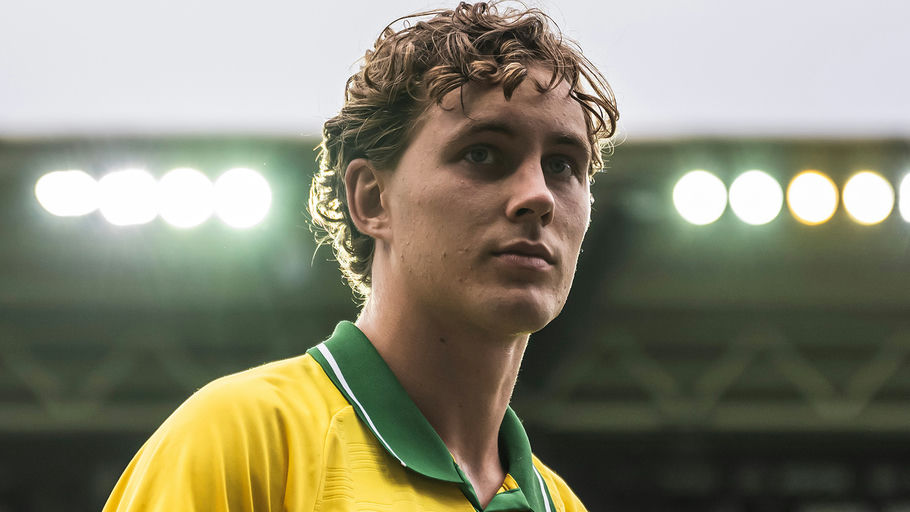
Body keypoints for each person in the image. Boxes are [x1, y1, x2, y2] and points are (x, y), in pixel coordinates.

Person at [103, 1, 618, 510]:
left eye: (562, 165)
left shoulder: (563, 505)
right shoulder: (241, 438)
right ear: (371, 199)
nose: (538, 196)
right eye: (481, 153)